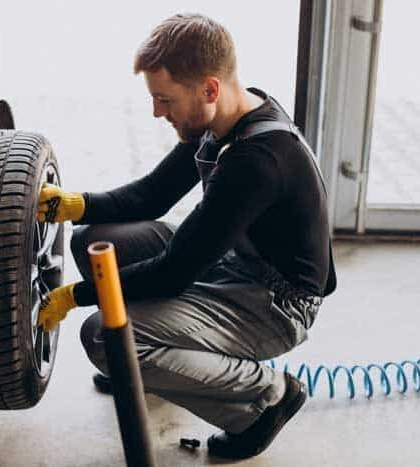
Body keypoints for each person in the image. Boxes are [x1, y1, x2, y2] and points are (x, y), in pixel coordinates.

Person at [37, 13, 336, 460]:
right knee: (93, 240)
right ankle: (153, 370)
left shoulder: (256, 161)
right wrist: (76, 204)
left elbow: (175, 271)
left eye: (164, 99)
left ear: (209, 89)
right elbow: (152, 195)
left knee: (103, 335)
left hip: (274, 305)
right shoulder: (229, 117)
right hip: (233, 264)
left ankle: (265, 400)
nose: (157, 112)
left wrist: (75, 295)